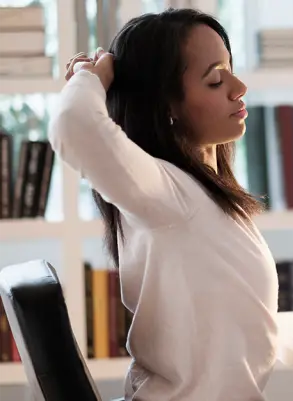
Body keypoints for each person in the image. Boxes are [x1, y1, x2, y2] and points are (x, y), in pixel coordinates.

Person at [48, 8, 278, 401]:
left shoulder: (195, 193)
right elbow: (73, 124)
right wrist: (91, 78)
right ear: (166, 104)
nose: (239, 87)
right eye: (215, 80)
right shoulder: (168, 195)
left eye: (231, 71)